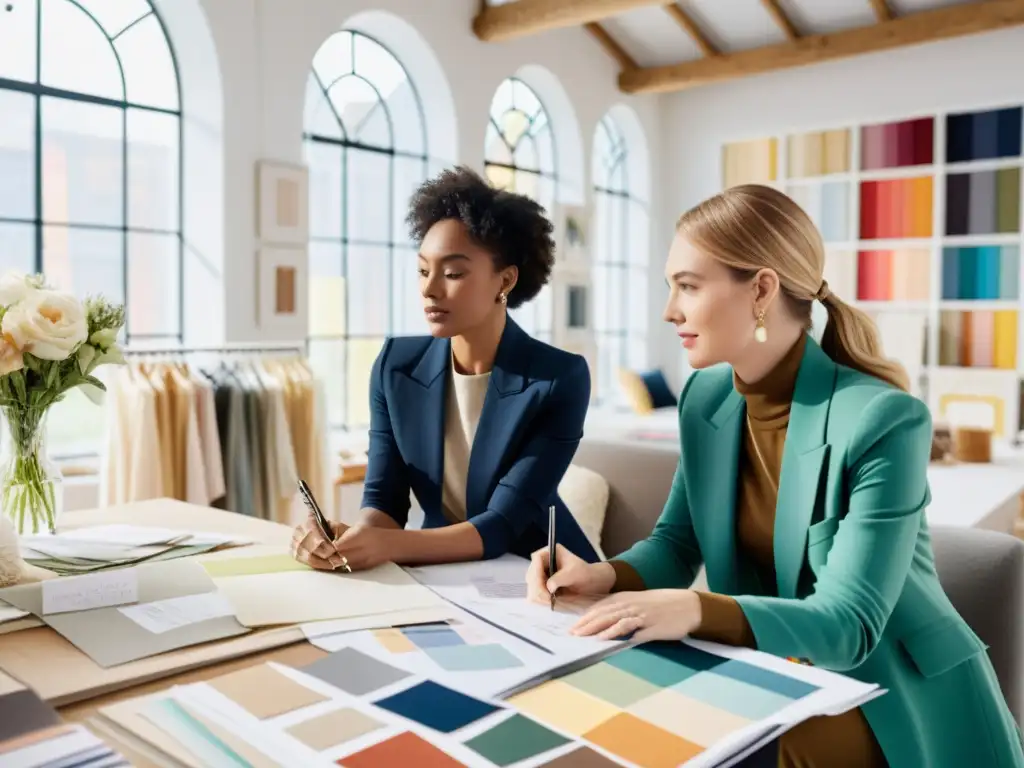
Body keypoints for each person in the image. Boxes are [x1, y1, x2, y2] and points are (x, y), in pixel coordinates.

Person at [526, 184, 1024, 768]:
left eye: (688, 286)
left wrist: (692, 608)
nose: (670, 310)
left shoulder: (883, 420)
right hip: (777, 669)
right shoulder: (705, 398)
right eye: (671, 287)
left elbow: (850, 626)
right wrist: (604, 574)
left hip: (891, 692)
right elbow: (677, 542)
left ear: (761, 289)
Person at [291, 166, 600, 573]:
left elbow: (501, 525)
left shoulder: (558, 378)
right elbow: (384, 501)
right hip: (441, 573)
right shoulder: (395, 366)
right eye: (423, 270)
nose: (429, 289)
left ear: (504, 281)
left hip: (544, 575)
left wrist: (386, 545)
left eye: (452, 273)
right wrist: (349, 540)